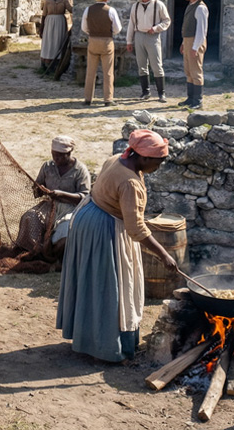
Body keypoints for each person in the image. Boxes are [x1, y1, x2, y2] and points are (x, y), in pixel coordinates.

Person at [55, 129, 177, 363]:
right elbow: (136, 229)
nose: (158, 168)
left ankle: (88, 336)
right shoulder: (130, 182)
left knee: (92, 282)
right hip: (104, 231)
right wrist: (164, 256)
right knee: (109, 287)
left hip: (88, 219)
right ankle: (107, 346)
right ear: (143, 157)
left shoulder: (117, 160)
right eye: (158, 163)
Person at [33, 135, 91, 255]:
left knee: (65, 231)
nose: (56, 158)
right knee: (29, 218)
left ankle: (53, 255)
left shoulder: (80, 170)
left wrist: (62, 195)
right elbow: (36, 188)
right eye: (54, 154)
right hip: (49, 205)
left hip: (71, 209)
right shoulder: (47, 167)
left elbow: (85, 197)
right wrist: (39, 190)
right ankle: (34, 249)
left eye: (60, 155)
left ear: (69, 153)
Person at [125, 0, 171, 102]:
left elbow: (167, 21)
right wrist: (129, 41)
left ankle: (162, 93)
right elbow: (131, 24)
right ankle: (145, 92)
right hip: (139, 36)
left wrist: (156, 28)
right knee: (141, 65)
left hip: (153, 37)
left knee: (156, 65)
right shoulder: (135, 6)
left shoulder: (158, 4)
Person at [81, 0, 121, 106]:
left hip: (93, 40)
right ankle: (108, 99)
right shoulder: (111, 11)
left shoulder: (88, 10)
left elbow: (84, 28)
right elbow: (117, 28)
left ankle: (88, 98)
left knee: (90, 71)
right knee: (108, 71)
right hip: (106, 41)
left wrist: (92, 33)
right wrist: (108, 33)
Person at [178, 0, 209, 109]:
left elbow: (201, 31)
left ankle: (198, 100)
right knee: (189, 70)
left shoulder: (201, 8)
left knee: (196, 71)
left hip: (195, 41)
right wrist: (183, 43)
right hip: (188, 41)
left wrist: (195, 47)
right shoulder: (191, 5)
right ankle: (190, 98)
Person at [40, 0, 73, 69]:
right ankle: (47, 60)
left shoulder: (64, 0)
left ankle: (58, 60)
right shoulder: (48, 1)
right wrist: (41, 29)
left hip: (60, 22)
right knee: (49, 40)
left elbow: (70, 9)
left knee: (59, 40)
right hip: (49, 23)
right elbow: (44, 15)